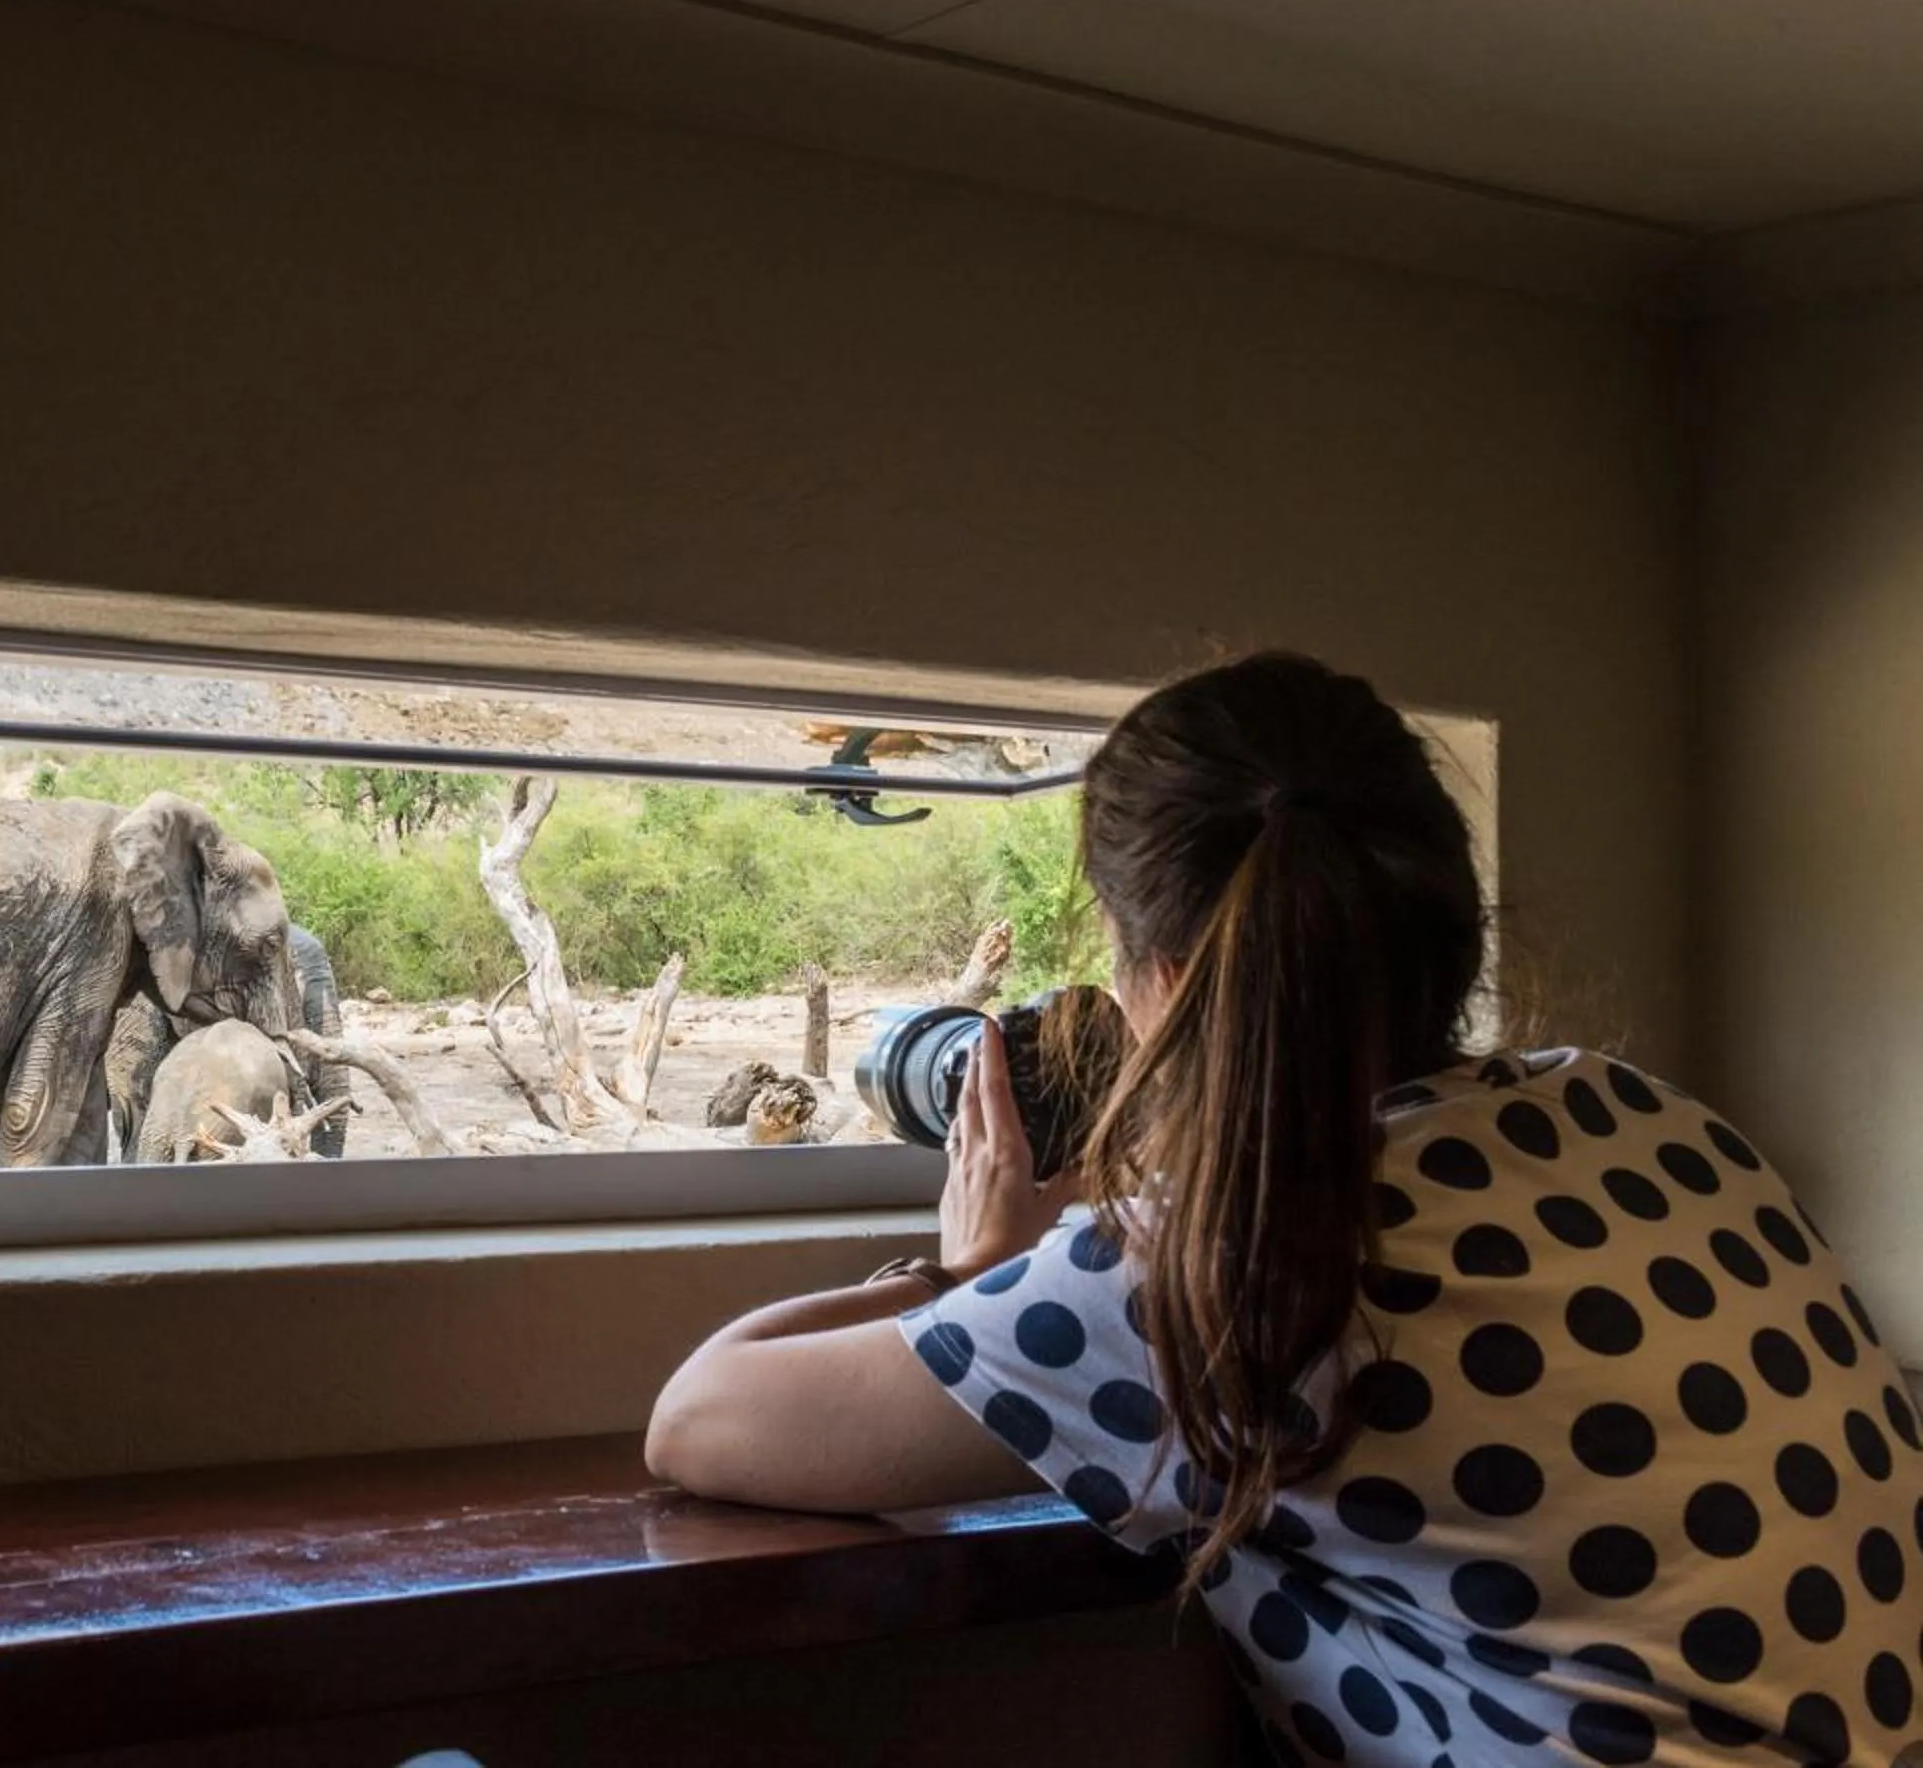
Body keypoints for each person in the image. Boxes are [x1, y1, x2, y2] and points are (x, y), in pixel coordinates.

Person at [648, 652, 1919, 1767]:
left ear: (1162, 974)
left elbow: (699, 1423)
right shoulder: (1645, 1114)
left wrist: (972, 1274)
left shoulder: (1227, 1263)